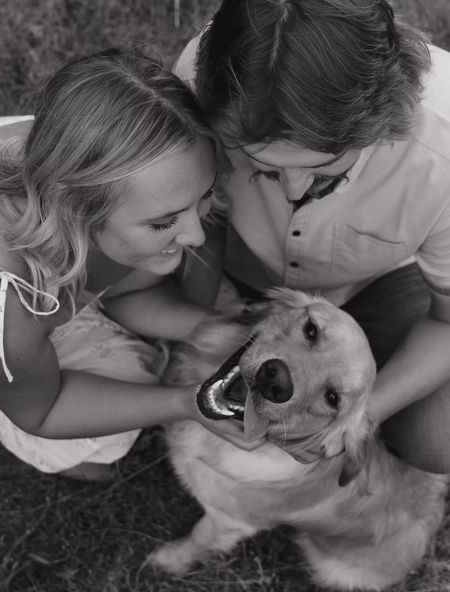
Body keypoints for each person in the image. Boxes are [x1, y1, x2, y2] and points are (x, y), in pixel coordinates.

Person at [174, 0, 450, 473]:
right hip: (234, 257)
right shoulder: (197, 81)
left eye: (322, 171)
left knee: (438, 439)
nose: (294, 191)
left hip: (384, 284)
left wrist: (355, 418)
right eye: (263, 168)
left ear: (381, 123)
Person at [0, 49, 258, 481]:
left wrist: (214, 330)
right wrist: (189, 402)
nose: (197, 236)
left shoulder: (113, 161)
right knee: (100, 448)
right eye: (164, 221)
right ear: (76, 213)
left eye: (198, 199)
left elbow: (120, 283)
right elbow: (44, 411)